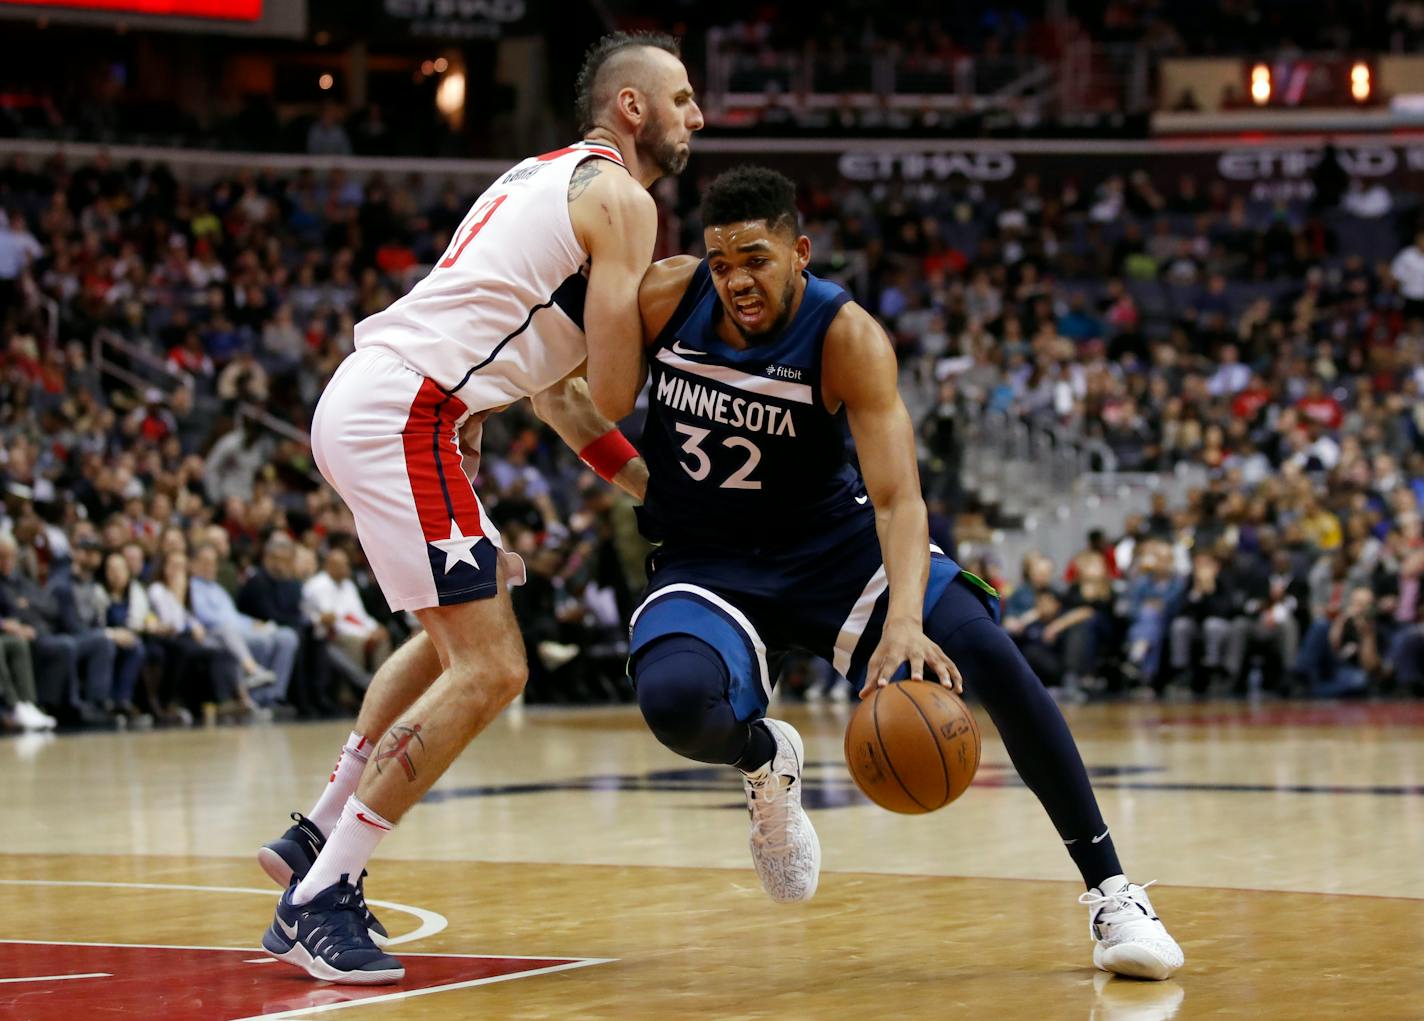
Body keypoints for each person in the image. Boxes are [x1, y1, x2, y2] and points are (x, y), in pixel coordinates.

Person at [625, 166, 1183, 980]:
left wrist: (909, 620)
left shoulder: (844, 333)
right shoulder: (663, 298)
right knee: (675, 702)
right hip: (707, 559)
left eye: (755, 257)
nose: (736, 279)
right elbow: (557, 371)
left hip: (832, 549)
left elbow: (898, 497)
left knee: (987, 654)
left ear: (799, 252)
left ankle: (1113, 890)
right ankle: (761, 758)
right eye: (721, 262)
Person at [258, 30, 703, 984]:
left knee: (468, 614)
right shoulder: (624, 201)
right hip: (408, 410)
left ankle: (319, 830)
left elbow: (560, 399)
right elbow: (615, 386)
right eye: (682, 97)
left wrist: (649, 490)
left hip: (388, 399)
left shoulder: (537, 177)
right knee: (495, 667)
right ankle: (324, 895)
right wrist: (679, 310)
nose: (696, 116)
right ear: (631, 107)